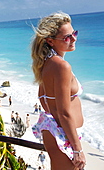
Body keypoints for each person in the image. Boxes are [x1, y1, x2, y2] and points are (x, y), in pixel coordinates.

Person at [31, 12, 86, 170]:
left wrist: (53, 120)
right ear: (50, 41)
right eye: (67, 37)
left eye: (74, 33)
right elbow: (64, 112)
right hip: (64, 135)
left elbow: (43, 97)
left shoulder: (47, 63)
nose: (74, 39)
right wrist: (77, 149)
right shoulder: (61, 66)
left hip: (58, 132)